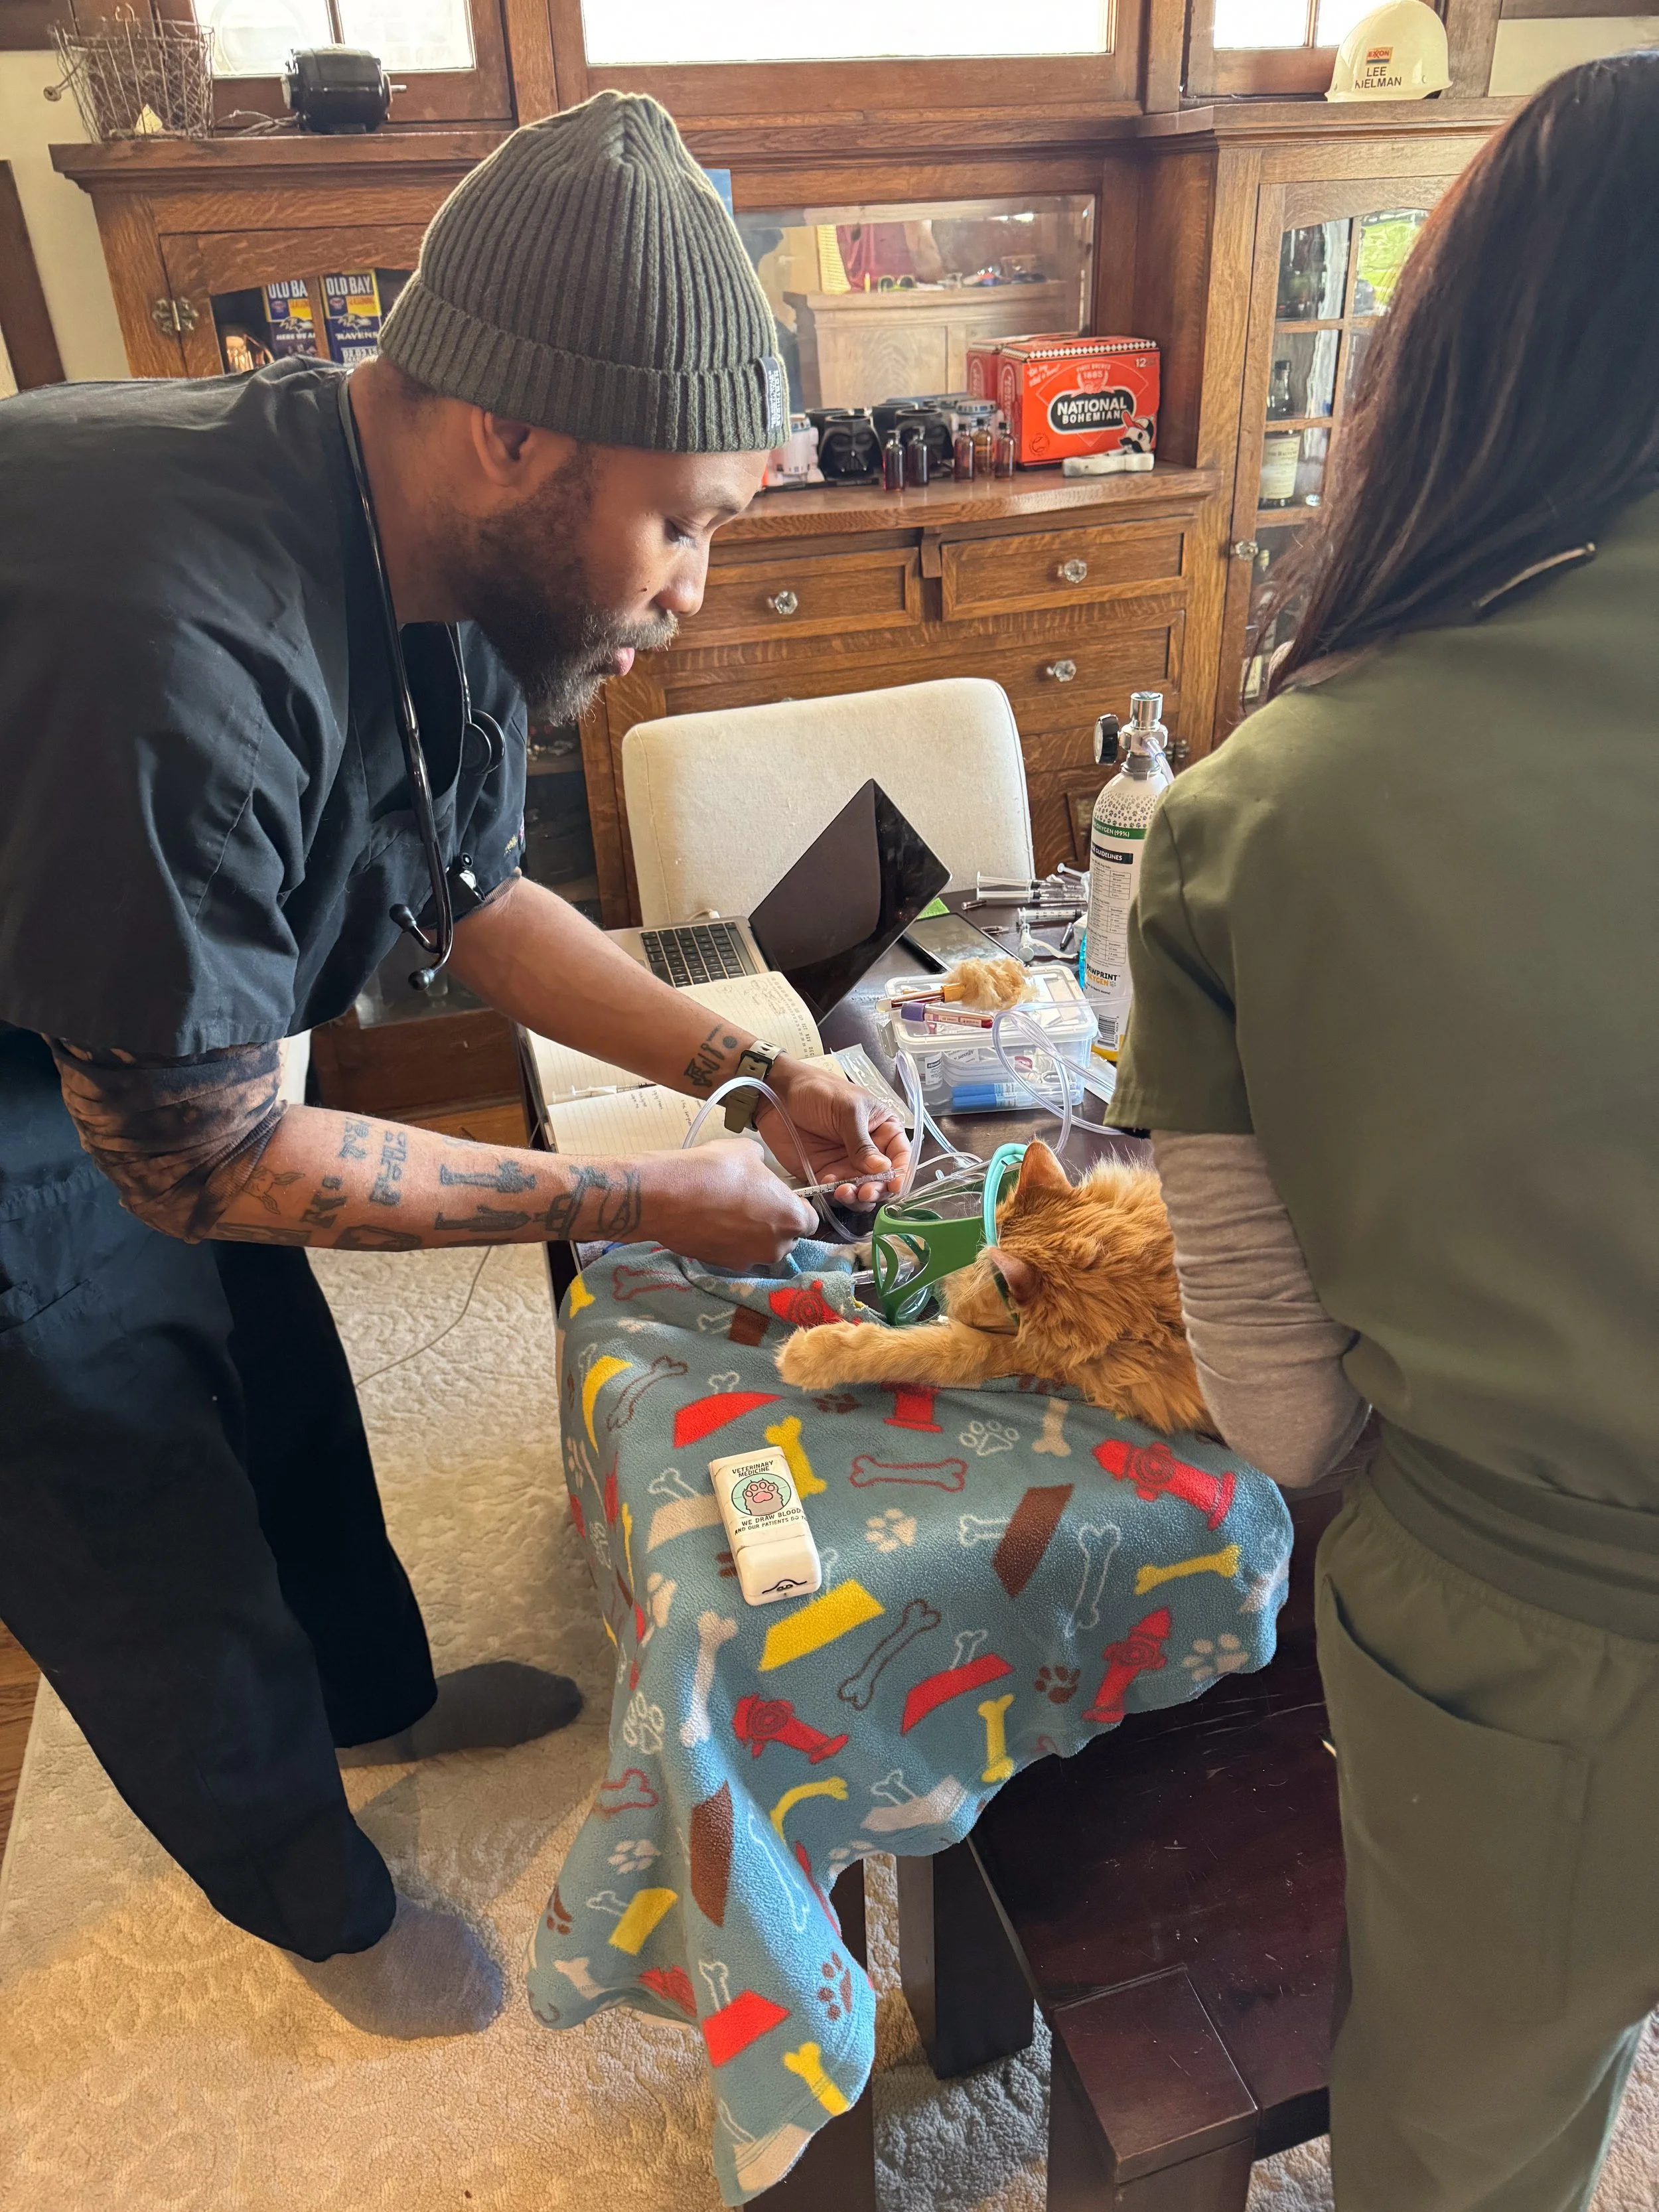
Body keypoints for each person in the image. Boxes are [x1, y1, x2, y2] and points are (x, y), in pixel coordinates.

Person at [0, 92, 905, 2040]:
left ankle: (372, 1697)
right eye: (679, 523)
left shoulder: (436, 545)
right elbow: (196, 1161)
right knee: (120, 1463)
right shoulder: (177, 637)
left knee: (269, 1357)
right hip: (30, 1048)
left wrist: (745, 1071)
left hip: (134, 997)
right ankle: (311, 1900)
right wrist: (635, 1193)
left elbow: (475, 892)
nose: (690, 592)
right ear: (511, 436)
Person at [1109, 54, 1659, 2212]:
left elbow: (1265, 1387)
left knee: (1461, 2134)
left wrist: (1407, 1490)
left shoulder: (1267, 803)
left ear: (1452, 353)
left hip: (1527, 1630)